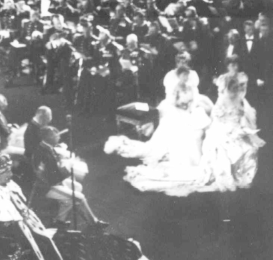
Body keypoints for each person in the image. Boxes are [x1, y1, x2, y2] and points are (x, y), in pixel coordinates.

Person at [105, 77, 212, 196]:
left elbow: (209, 130)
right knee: (155, 147)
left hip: (194, 156)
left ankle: (126, 147)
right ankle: (126, 147)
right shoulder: (171, 115)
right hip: (182, 153)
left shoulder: (198, 111)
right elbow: (158, 141)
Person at [200, 57, 265, 191]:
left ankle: (240, 173)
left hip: (234, 124)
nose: (233, 67)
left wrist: (240, 125)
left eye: (235, 65)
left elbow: (239, 115)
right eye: (231, 65)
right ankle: (226, 173)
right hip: (223, 127)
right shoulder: (222, 96)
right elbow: (218, 116)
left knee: (248, 146)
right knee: (223, 148)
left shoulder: (239, 97)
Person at [32, 126, 108, 231]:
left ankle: (59, 221)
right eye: (56, 136)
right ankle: (94, 223)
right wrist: (69, 166)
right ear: (49, 137)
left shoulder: (47, 147)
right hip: (47, 187)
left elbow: (54, 168)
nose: (59, 137)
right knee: (79, 197)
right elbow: (52, 175)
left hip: (54, 182)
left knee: (77, 188)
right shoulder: (43, 152)